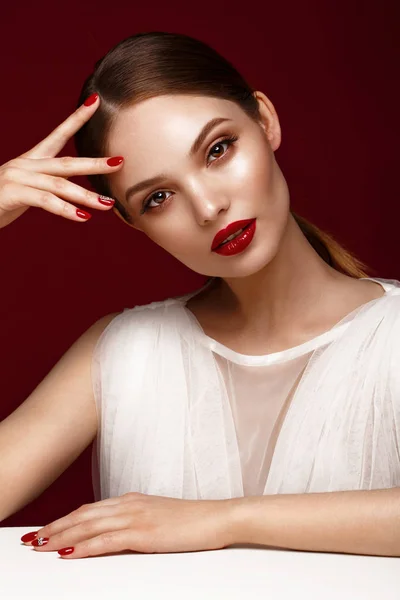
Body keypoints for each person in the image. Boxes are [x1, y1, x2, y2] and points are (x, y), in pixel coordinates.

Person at [1, 32, 399, 559]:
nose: (208, 206)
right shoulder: (124, 352)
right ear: (132, 221)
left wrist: (219, 520)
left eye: (217, 149)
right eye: (158, 197)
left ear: (265, 120)